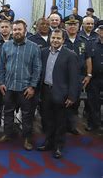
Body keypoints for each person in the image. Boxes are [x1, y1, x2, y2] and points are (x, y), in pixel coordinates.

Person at [0, 19, 42, 151]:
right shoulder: (6, 46)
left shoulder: (33, 47)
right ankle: (7, 134)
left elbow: (37, 68)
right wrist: (1, 82)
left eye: (19, 29)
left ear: (25, 31)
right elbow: (1, 66)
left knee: (27, 115)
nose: (16, 32)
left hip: (25, 88)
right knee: (8, 112)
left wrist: (32, 86)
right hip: (9, 87)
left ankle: (27, 139)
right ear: (12, 30)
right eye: (14, 29)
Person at [37, 29, 79, 159]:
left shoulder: (70, 55)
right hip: (45, 91)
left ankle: (59, 146)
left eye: (58, 38)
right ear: (50, 38)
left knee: (60, 122)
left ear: (63, 40)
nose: (55, 40)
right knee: (48, 120)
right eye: (53, 38)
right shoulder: (43, 52)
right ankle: (48, 142)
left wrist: (72, 96)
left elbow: (74, 78)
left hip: (62, 94)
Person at [63, 18, 92, 135]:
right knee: (62, 102)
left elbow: (88, 59)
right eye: (69, 25)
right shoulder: (61, 39)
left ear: (78, 26)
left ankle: (72, 125)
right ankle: (62, 126)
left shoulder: (84, 41)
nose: (72, 27)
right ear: (65, 26)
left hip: (78, 77)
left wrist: (89, 75)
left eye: (74, 24)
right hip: (63, 76)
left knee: (75, 102)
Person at [85, 24, 103, 133]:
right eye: (101, 30)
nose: (102, 32)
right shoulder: (91, 43)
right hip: (94, 78)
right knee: (93, 102)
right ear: (98, 31)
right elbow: (88, 60)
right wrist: (89, 74)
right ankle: (93, 124)